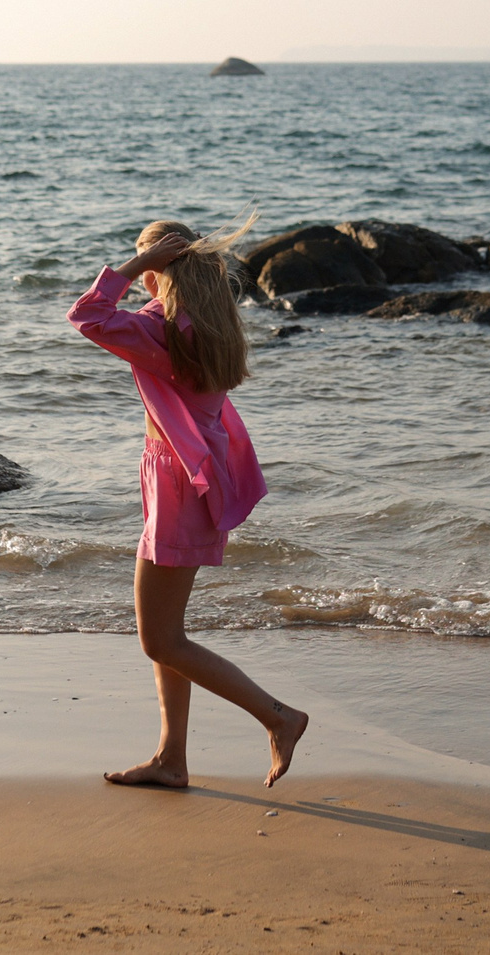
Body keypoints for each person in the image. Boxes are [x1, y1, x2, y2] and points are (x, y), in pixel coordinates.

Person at [67, 218, 308, 789]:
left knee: (160, 639)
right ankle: (171, 758)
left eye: (145, 268)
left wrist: (126, 269)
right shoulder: (215, 323)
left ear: (157, 273)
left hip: (178, 483)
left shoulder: (163, 329)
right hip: (183, 479)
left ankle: (279, 717)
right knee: (167, 633)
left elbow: (86, 316)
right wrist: (150, 265)